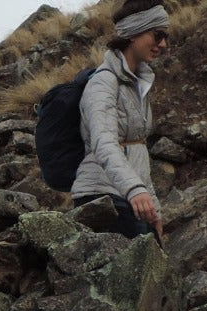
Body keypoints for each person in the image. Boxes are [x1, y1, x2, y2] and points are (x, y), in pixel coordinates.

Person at [72, 0, 169, 241]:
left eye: (165, 37)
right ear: (134, 32)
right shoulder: (103, 83)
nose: (163, 44)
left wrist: (153, 207)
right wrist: (135, 190)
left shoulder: (138, 84)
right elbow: (104, 143)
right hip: (103, 198)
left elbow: (138, 153)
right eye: (157, 35)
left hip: (130, 198)